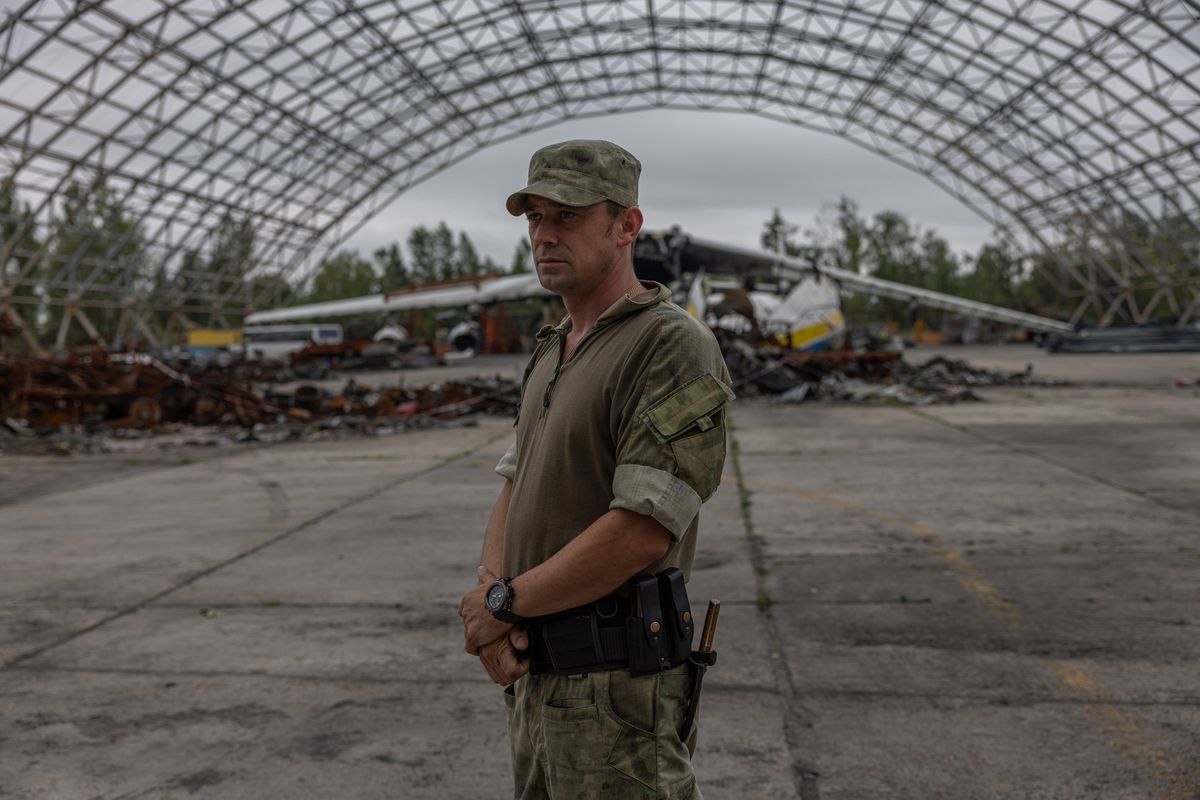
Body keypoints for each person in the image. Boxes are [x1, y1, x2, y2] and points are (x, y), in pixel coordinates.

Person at [458, 139, 733, 800]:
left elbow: (642, 529)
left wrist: (502, 604)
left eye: (568, 217)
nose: (545, 235)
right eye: (535, 218)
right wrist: (493, 598)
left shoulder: (667, 344)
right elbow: (515, 483)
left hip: (615, 699)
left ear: (626, 226)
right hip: (536, 680)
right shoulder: (555, 348)